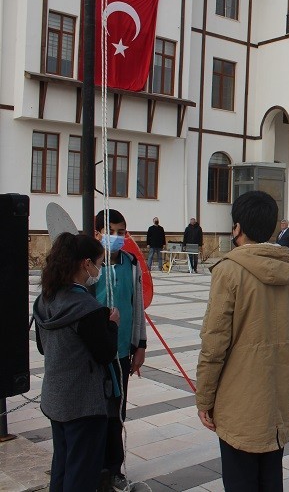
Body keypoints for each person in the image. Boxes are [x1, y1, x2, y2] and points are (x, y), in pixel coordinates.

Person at [196, 190, 289, 490]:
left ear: (238, 228)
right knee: (271, 477)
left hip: (238, 401)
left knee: (240, 480)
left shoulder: (230, 270)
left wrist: (204, 398)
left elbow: (214, 342)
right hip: (277, 397)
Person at [33, 233, 119, 492]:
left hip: (55, 397)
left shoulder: (45, 299)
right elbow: (105, 353)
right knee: (81, 472)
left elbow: (41, 346)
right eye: (100, 264)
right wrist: (112, 326)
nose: (100, 270)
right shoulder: (86, 307)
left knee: (62, 464)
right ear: (86, 264)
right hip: (83, 403)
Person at [93, 209, 147, 491]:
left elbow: (137, 306)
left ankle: (114, 469)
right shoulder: (89, 266)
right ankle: (94, 467)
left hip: (122, 352)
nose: (116, 237)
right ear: (97, 234)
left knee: (116, 411)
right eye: (111, 231)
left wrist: (140, 344)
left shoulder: (131, 263)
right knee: (94, 412)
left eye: (121, 231)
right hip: (93, 354)